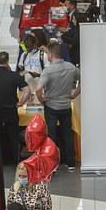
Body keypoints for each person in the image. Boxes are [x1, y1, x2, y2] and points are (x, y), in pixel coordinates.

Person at [35, 41, 81, 172]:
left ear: (50, 54)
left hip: (51, 106)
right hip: (66, 105)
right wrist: (74, 95)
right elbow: (82, 79)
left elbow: (38, 88)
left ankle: (53, 164)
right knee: (67, 134)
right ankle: (70, 162)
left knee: (52, 135)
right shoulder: (71, 67)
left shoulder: (48, 71)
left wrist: (41, 99)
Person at [0, 53, 28, 164]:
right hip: (10, 111)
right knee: (14, 138)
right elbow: (27, 90)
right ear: (7, 62)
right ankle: (16, 161)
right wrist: (21, 103)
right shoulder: (14, 76)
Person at [60, 0, 81, 65]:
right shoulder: (72, 14)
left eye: (66, 5)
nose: (64, 7)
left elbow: (73, 34)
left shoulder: (76, 15)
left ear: (72, 6)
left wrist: (63, 35)